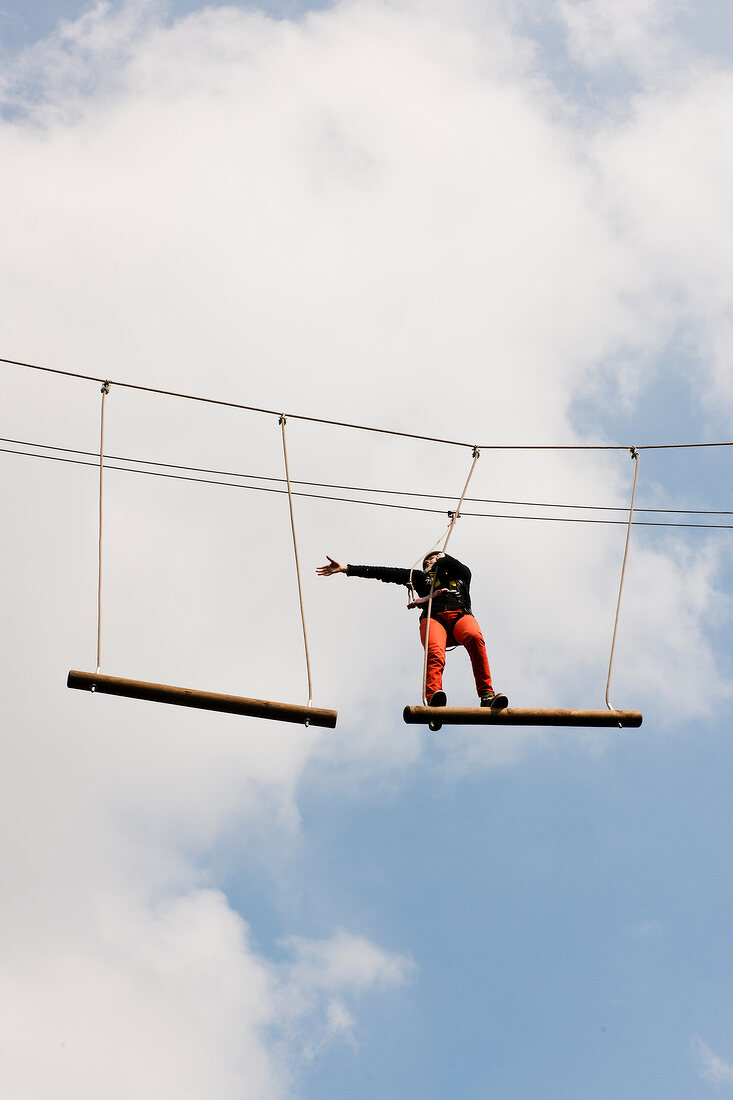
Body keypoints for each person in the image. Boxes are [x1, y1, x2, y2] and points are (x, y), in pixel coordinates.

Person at [316, 550, 507, 708]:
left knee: (474, 637)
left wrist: (442, 559)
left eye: (434, 558)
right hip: (434, 619)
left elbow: (459, 566)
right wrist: (346, 569)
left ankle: (487, 695)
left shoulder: (461, 575)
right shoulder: (418, 578)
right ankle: (433, 697)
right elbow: (384, 573)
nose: (430, 561)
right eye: (427, 561)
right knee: (435, 652)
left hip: (460, 616)